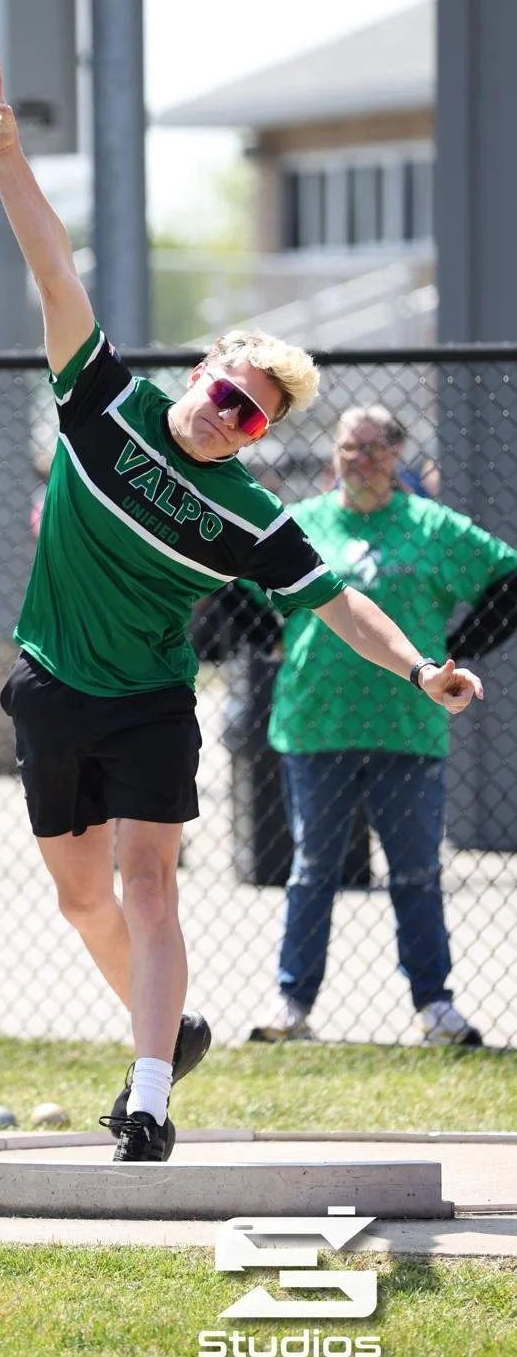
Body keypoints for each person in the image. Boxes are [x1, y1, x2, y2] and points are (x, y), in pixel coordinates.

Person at [0, 58, 484, 1163]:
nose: (234, 420)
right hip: (51, 685)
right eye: (230, 394)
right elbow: (54, 271)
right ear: (202, 372)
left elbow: (337, 605)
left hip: (149, 700)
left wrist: (420, 666)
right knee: (80, 901)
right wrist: (5, 150)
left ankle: (147, 1095)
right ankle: (172, 1031)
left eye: (253, 420)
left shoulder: (250, 514)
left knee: (149, 886)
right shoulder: (102, 400)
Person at [249, 404, 517, 1046]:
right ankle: (293, 1004)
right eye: (348, 447)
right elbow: (243, 598)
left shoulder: (431, 526)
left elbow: (506, 577)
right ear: (334, 454)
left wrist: (461, 647)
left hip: (408, 726)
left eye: (374, 447)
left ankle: (435, 1006)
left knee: (417, 871)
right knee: (313, 867)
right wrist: (264, 643)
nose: (360, 459)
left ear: (397, 453)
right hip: (317, 722)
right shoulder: (302, 526)